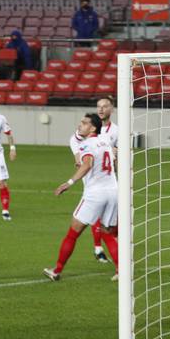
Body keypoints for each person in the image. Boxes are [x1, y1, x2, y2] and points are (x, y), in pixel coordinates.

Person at [44, 113, 119, 281]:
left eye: (84, 123)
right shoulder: (106, 141)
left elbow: (87, 164)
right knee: (107, 232)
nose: (80, 125)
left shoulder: (86, 144)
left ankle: (56, 270)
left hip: (95, 194)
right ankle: (121, 270)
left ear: (93, 127)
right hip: (113, 191)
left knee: (73, 233)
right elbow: (113, 161)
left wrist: (69, 182)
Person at [70, 96, 118, 264]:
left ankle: (111, 254)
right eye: (98, 106)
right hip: (92, 180)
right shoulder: (82, 132)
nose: (101, 109)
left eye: (105, 106)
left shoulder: (116, 131)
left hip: (108, 180)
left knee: (110, 226)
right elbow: (78, 155)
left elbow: (119, 156)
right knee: (97, 219)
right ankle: (98, 248)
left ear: (111, 108)